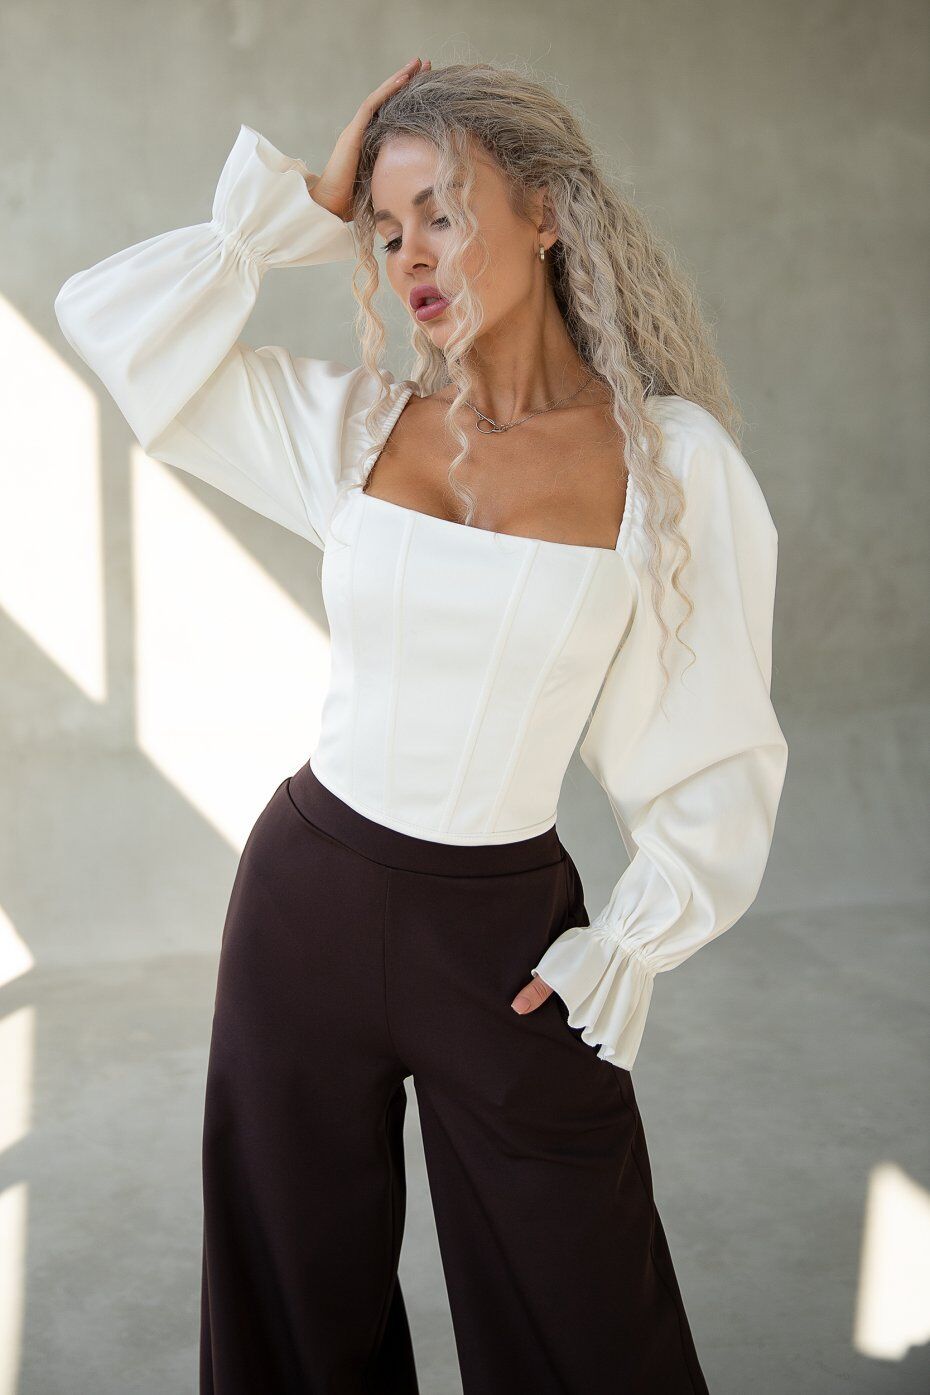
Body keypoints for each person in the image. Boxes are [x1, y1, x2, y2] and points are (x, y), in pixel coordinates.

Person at [54, 56, 789, 1395]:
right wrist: (292, 209)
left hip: (499, 935)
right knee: (289, 1304)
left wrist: (630, 938)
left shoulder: (670, 464)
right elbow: (109, 324)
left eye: (440, 212)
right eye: (384, 231)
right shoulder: (350, 427)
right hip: (303, 903)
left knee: (587, 1319)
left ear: (547, 211)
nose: (408, 258)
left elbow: (712, 733)